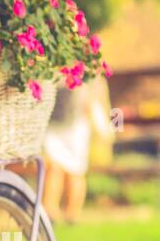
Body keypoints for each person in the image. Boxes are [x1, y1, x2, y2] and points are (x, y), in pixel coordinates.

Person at [42, 76, 112, 223]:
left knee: (73, 170)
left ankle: (70, 213)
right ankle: (51, 211)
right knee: (56, 167)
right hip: (56, 124)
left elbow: (94, 101)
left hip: (74, 125)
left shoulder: (87, 73)